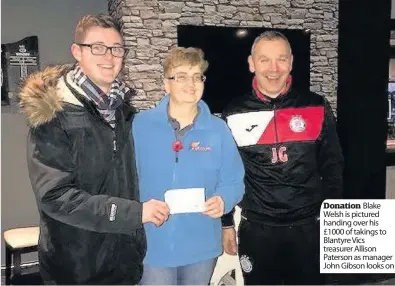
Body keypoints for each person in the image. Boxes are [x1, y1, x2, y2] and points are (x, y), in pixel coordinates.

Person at [18, 14, 169, 284]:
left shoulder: (125, 113)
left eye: (117, 48)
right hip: (76, 268)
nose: (109, 57)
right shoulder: (53, 115)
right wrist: (134, 214)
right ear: (77, 51)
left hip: (125, 261)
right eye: (97, 47)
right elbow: (56, 197)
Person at [221, 31, 344, 285]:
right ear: (251, 64)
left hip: (309, 229)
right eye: (264, 59)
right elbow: (225, 173)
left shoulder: (316, 106)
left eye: (281, 59)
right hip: (257, 230)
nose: (273, 69)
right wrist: (226, 224)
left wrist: (333, 221)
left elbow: (333, 167)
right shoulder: (233, 112)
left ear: (291, 62)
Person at [132, 47, 245, 285]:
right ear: (166, 83)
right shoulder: (139, 126)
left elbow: (234, 181)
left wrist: (223, 200)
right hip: (153, 243)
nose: (190, 83)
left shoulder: (218, 130)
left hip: (201, 245)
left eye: (197, 76)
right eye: (181, 76)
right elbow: (124, 178)